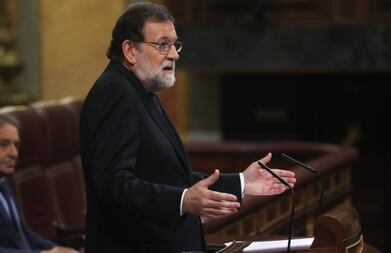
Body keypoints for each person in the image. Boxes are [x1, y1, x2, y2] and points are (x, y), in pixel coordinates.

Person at [79, 2, 296, 252]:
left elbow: (165, 177)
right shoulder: (115, 92)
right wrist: (183, 201)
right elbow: (114, 184)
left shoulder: (141, 92)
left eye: (175, 44)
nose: (174, 54)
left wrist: (243, 182)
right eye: (162, 45)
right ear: (129, 50)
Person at [0, 114, 79, 253]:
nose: (14, 153)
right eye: (3, 144)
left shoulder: (4, 184)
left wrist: (54, 248)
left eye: (16, 145)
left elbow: (23, 234)